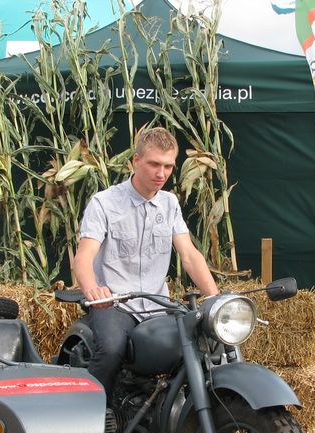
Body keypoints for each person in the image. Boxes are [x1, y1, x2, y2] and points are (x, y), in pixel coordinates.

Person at [73, 127, 219, 398]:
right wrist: (94, 290)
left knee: (204, 341)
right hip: (115, 304)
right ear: (136, 161)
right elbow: (83, 258)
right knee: (112, 348)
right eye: (153, 164)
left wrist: (215, 297)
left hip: (157, 305)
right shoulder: (104, 203)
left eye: (168, 166)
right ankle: (89, 418)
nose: (161, 174)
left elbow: (188, 254)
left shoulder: (170, 203)